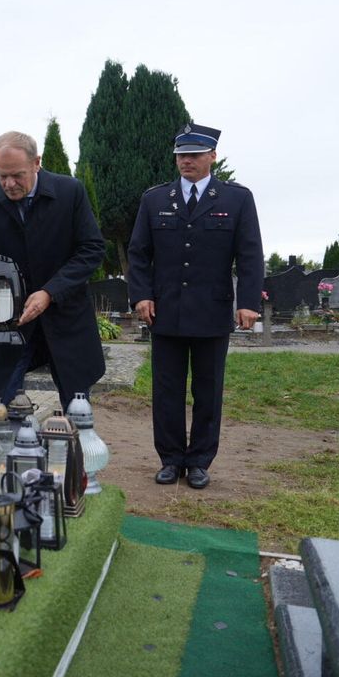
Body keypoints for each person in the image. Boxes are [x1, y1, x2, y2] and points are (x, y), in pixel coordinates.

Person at [126, 123, 263, 489]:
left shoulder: (236, 199)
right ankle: (171, 459)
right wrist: (141, 295)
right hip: (165, 312)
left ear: (212, 156)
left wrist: (248, 302)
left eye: (194, 154)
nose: (186, 161)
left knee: (208, 391)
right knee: (167, 391)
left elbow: (250, 254)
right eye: (181, 155)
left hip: (212, 313)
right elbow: (138, 254)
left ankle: (200, 461)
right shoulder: (154, 200)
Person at [0, 131, 105, 412]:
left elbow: (91, 249)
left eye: (17, 175)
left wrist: (50, 292)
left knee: (77, 408)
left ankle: (77, 453)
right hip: (11, 321)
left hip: (66, 317)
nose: (8, 183)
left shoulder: (70, 192)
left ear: (37, 162)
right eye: (1, 175)